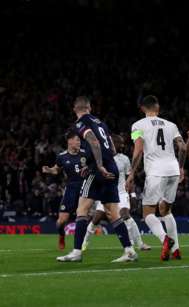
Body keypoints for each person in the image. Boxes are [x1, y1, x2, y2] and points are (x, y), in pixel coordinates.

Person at [56, 96, 137, 262]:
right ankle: (129, 250)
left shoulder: (80, 123)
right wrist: (104, 161)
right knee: (112, 213)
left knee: (82, 209)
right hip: (111, 166)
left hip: (98, 170)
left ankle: (77, 252)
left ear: (74, 109)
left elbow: (93, 141)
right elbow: (112, 147)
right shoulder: (100, 122)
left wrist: (98, 165)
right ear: (89, 107)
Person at [126, 95, 186, 261]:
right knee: (166, 210)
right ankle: (176, 250)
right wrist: (181, 167)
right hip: (173, 169)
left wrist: (131, 174)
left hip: (156, 171)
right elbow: (182, 147)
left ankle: (165, 240)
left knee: (148, 213)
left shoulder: (137, 125)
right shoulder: (172, 125)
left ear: (142, 108)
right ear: (157, 107)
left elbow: (138, 149)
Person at [82, 134, 151, 251]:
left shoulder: (124, 159)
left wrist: (133, 194)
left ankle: (140, 244)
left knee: (125, 214)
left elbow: (130, 178)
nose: (122, 145)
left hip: (121, 192)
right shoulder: (102, 158)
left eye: (123, 143)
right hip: (106, 191)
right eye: (120, 143)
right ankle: (84, 243)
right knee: (96, 219)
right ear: (111, 143)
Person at [42, 130, 88, 250]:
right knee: (61, 221)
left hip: (85, 188)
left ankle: (80, 244)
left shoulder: (85, 154)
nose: (79, 142)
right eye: (77, 140)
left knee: (82, 216)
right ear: (69, 141)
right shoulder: (62, 157)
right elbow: (56, 170)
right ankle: (62, 236)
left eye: (79, 140)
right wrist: (49, 170)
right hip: (71, 189)